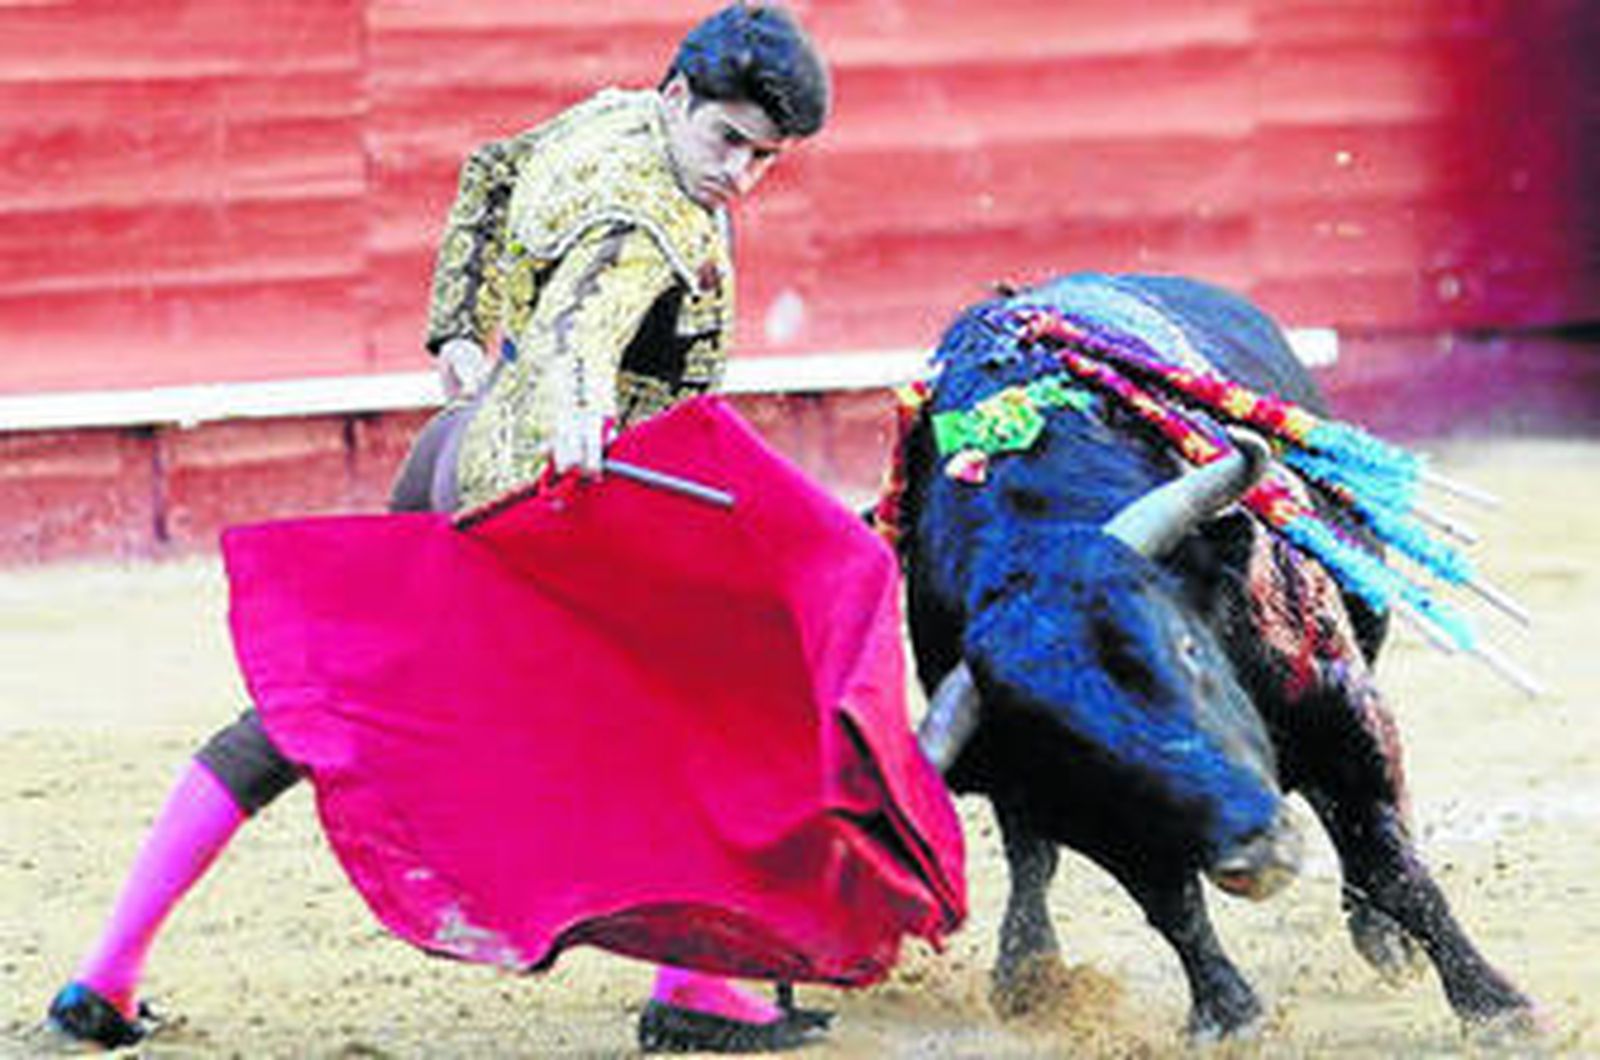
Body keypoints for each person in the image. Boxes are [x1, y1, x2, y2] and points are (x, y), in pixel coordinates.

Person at [45, 4, 833, 1053]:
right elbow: (580, 327)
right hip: (544, 508)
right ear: (678, 97)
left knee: (309, 711)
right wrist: (576, 413)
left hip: (455, 455)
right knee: (748, 692)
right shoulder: (660, 222)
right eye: (728, 140)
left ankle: (105, 970)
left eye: (766, 159)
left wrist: (459, 331)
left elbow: (490, 173)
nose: (739, 176)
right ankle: (695, 988)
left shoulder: (607, 120)